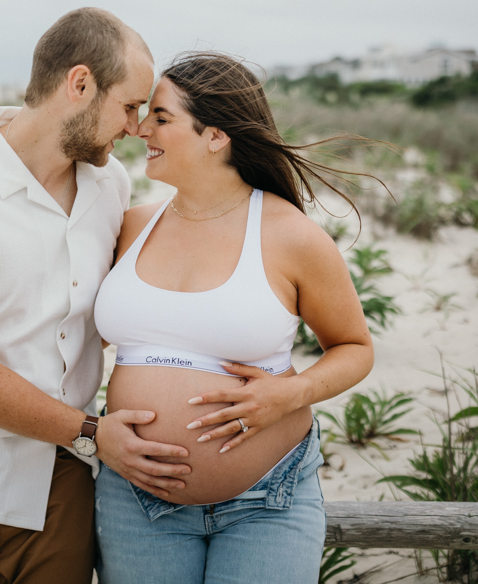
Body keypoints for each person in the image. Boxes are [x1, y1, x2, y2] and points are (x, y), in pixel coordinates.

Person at [0, 7, 194, 584]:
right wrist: (94, 434)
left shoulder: (110, 186)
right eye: (129, 105)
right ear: (80, 84)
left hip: (59, 484)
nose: (134, 127)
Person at [94, 51, 376, 584]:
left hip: (267, 498)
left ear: (215, 135)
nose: (140, 130)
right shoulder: (129, 226)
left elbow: (355, 348)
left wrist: (289, 394)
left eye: (161, 117)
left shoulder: (290, 235)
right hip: (135, 495)